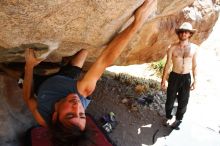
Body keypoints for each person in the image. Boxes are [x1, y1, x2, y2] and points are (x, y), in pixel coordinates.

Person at [22, 0, 155, 145]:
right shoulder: (82, 92)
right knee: (84, 52)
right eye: (82, 115)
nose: (77, 106)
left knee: (22, 79)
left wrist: (29, 67)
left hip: (44, 86)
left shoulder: (44, 117)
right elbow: (105, 60)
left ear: (54, 117)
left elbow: (28, 97)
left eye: (70, 114)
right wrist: (137, 23)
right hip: (64, 79)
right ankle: (64, 66)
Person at [161, 22, 198, 130]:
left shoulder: (194, 48)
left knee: (184, 100)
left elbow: (195, 65)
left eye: (186, 32)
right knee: (170, 99)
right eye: (181, 32)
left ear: (190, 34)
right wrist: (163, 79)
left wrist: (195, 80)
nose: (183, 34)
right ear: (179, 34)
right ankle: (168, 116)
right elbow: (168, 64)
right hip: (174, 76)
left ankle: (178, 119)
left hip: (186, 77)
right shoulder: (172, 47)